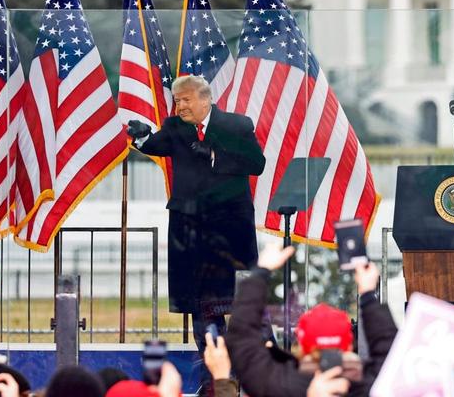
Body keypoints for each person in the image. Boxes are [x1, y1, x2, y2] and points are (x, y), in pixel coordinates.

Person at [127, 74, 265, 394]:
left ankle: (243, 374)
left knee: (236, 303)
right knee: (201, 305)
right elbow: (155, 145)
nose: (181, 106)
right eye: (177, 101)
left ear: (206, 99)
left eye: (186, 100)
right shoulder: (175, 127)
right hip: (188, 231)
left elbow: (256, 163)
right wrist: (141, 137)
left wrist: (214, 154)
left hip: (228, 230)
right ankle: (213, 380)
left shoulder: (236, 126)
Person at [225, 243, 398, 397]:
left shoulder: (279, 384)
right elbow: (390, 350)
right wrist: (368, 294)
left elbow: (242, 338)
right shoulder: (376, 384)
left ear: (301, 344)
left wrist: (261, 272)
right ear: (348, 343)